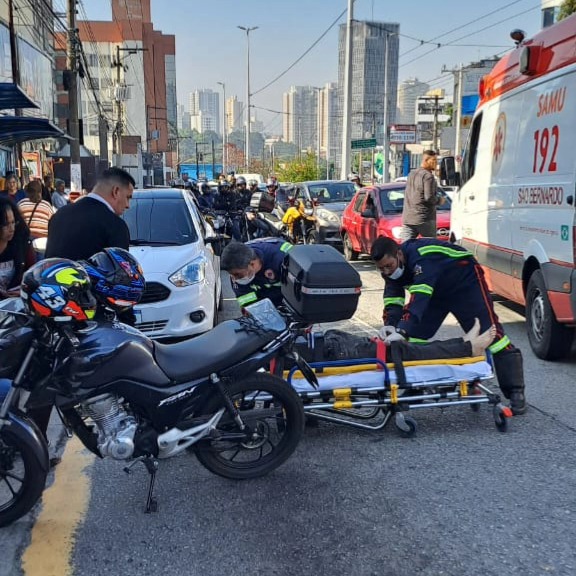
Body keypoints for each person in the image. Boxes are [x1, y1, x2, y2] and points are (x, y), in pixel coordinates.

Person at [370, 236, 527, 415]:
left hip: (464, 282)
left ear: (399, 254)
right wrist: (391, 325)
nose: (386, 272)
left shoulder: (422, 256)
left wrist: (403, 329)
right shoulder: (390, 268)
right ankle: (417, 385)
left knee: (490, 333)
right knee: (415, 337)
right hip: (436, 291)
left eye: (388, 266)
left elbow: (420, 295)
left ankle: (515, 390)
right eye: (381, 269)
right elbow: (393, 299)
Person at [45, 167, 134, 261]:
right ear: (116, 191)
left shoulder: (60, 215)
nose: (128, 205)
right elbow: (121, 272)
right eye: (128, 197)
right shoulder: (115, 226)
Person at [220, 238, 293, 308]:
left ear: (252, 264)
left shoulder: (283, 258)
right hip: (265, 299)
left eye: (237, 275)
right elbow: (247, 302)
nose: (235, 279)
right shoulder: (236, 262)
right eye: (231, 275)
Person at [401, 149, 444, 240]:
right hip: (424, 218)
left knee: (405, 247)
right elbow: (429, 197)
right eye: (434, 161)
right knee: (431, 247)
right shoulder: (428, 176)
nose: (436, 163)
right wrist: (440, 200)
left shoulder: (411, 174)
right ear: (426, 161)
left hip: (408, 217)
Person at [0, 197, 34, 300]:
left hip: (15, 306)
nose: (12, 229)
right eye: (6, 224)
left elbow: (34, 277)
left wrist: (23, 291)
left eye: (13, 222)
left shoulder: (23, 245)